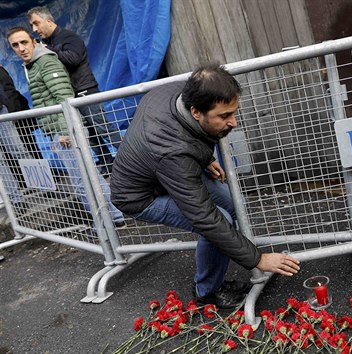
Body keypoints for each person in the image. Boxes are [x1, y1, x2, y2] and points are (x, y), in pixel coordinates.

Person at [110, 63, 301, 309]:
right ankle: (207, 290)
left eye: (233, 112)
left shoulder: (176, 91)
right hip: (139, 196)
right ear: (196, 112)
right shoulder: (172, 154)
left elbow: (183, 137)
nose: (234, 123)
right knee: (217, 219)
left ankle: (218, 270)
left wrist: (204, 157)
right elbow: (205, 218)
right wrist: (258, 259)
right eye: (224, 116)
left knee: (231, 203)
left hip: (163, 171)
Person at [6, 26, 125, 229]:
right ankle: (113, 218)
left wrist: (63, 131)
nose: (21, 48)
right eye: (15, 45)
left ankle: (106, 222)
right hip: (61, 130)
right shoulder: (34, 64)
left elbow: (64, 97)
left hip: (67, 131)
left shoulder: (45, 61)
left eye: (24, 42)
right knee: (88, 177)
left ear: (34, 41)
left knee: (82, 182)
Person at [27, 6, 122, 174]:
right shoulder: (49, 43)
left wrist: (48, 50)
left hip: (85, 91)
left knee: (103, 127)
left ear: (48, 21)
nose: (34, 30)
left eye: (36, 23)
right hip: (72, 95)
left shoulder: (68, 37)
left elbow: (73, 59)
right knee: (90, 134)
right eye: (32, 26)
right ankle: (107, 162)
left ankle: (130, 158)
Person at [0, 65, 42, 160]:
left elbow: (10, 92)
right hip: (11, 116)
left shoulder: (1, 71)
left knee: (27, 148)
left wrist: (13, 113)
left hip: (14, 116)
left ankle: (40, 173)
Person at [0, 84, 30, 213]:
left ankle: (46, 187)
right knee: (1, 163)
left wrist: (10, 110)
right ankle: (17, 199)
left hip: (1, 111)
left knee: (19, 151)